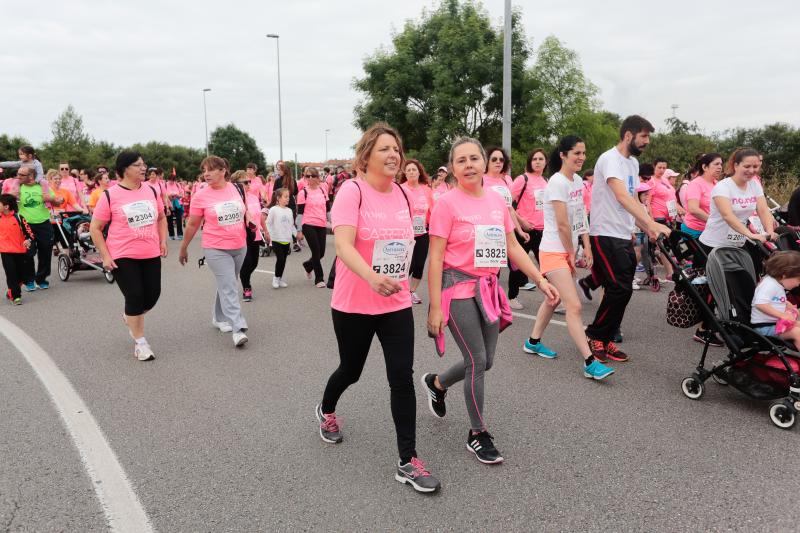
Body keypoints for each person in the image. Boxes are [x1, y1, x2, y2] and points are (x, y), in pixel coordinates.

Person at [316, 123, 441, 494]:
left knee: (401, 376)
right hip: (354, 303)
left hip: (395, 301)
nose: (393, 155)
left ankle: (408, 460)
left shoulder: (403, 195)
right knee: (351, 370)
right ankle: (326, 409)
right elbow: (343, 246)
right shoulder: (351, 192)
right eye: (384, 149)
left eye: (397, 149)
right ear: (366, 155)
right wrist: (371, 277)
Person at [420, 137, 559, 465]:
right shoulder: (446, 204)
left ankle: (437, 384)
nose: (468, 165)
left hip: (489, 288)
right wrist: (436, 306)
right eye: (460, 160)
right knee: (476, 360)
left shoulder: (497, 202)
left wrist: (540, 278)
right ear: (452, 168)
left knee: (485, 361)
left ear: (484, 163)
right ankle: (477, 433)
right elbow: (436, 257)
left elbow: (511, 246)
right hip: (457, 290)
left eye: (474, 159)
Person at [523, 136, 614, 379]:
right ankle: (590, 362)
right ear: (563, 154)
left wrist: (588, 246)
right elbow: (563, 224)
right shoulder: (556, 182)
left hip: (567, 249)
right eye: (576, 153)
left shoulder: (576, 181)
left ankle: (532, 342)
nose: (582, 157)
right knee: (572, 305)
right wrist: (572, 254)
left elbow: (580, 218)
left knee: (552, 299)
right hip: (554, 250)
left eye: (584, 153)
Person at [581, 115, 670, 363]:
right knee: (618, 287)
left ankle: (607, 338)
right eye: (643, 136)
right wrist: (651, 223)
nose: (647, 142)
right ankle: (595, 336)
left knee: (624, 290)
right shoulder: (610, 159)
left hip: (622, 233)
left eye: (648, 137)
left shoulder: (631, 164)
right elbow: (621, 196)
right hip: (604, 232)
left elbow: (633, 201)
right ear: (628, 135)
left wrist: (645, 226)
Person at [89, 151, 167, 361]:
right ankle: (140, 343)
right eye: (138, 165)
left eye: (144, 164)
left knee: (152, 295)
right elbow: (95, 228)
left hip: (150, 252)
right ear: (124, 169)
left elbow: (161, 217)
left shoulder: (151, 191)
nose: (143, 168)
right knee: (134, 296)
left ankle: (129, 316)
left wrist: (162, 240)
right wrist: (105, 256)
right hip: (122, 254)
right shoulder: (110, 195)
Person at [179, 156, 249, 347]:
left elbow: (244, 210)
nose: (206, 174)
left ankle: (219, 318)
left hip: (239, 245)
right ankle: (238, 327)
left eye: (210, 170)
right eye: (204, 170)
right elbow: (193, 224)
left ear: (223, 171)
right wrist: (183, 247)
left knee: (227, 283)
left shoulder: (236, 188)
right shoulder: (201, 195)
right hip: (216, 247)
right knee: (229, 286)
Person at [698, 148, 776, 265]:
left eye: (755, 167)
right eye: (747, 166)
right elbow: (728, 215)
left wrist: (769, 232)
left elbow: (763, 210)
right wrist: (750, 235)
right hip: (714, 245)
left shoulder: (754, 185)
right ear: (736, 165)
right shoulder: (723, 187)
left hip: (738, 243)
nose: (751, 170)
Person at [507, 148, 549, 309]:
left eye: (540, 159)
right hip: (524, 231)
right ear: (530, 162)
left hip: (543, 230)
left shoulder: (546, 181)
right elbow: (506, 203)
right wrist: (521, 221)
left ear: (545, 162)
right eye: (534, 159)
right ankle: (512, 297)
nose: (537, 162)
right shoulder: (522, 179)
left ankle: (552, 296)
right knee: (518, 266)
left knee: (546, 266)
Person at [17, 165, 61, 291]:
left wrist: (58, 200)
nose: (18, 176)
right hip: (26, 225)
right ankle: (29, 280)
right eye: (18, 174)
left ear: (31, 176)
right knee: (28, 253)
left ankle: (41, 279)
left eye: (21, 175)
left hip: (43, 223)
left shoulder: (43, 187)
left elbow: (54, 201)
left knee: (46, 251)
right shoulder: (18, 187)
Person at [399, 159, 434, 304]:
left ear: (419, 172)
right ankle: (400, 290)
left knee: (419, 264)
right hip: (405, 234)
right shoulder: (400, 189)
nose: (412, 172)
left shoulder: (426, 190)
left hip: (423, 233)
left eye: (414, 169)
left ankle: (411, 292)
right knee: (408, 264)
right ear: (405, 174)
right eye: (409, 170)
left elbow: (433, 210)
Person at [751, 251, 800, 349]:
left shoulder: (775, 283)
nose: (798, 284)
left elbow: (772, 299)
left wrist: (785, 303)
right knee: (797, 333)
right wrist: (782, 315)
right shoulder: (769, 285)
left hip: (774, 325)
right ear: (784, 275)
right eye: (798, 280)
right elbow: (760, 304)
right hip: (764, 328)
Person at [232, 170, 266, 302]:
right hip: (240, 235)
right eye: (245, 182)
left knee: (254, 263)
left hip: (255, 234)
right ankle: (247, 287)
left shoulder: (253, 197)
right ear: (236, 185)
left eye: (249, 182)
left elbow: (259, 216)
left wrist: (265, 231)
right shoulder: (234, 200)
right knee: (247, 262)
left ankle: (244, 276)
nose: (248, 184)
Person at [296, 167, 330, 288]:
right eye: (307, 176)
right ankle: (319, 279)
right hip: (308, 224)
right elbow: (300, 213)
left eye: (312, 176)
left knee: (321, 253)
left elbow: (328, 209)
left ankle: (308, 265)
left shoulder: (323, 190)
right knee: (316, 251)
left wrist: (333, 222)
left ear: (317, 177)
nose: (309, 178)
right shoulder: (303, 193)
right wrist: (299, 230)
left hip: (321, 224)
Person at [0, 194, 34, 305]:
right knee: (11, 274)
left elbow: (29, 233)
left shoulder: (19, 217)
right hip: (5, 251)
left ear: (6, 206)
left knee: (24, 276)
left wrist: (28, 240)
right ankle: (16, 296)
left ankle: (11, 290)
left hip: (20, 251)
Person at [681, 153, 723, 240]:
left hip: (712, 230)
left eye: (721, 164)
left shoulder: (717, 184)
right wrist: (715, 221)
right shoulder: (696, 184)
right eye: (716, 164)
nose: (720, 167)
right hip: (695, 231)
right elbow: (693, 209)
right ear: (705, 167)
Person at [264, 188, 296, 288]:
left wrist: (296, 234)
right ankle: (276, 278)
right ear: (278, 198)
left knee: (284, 260)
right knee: (280, 259)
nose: (288, 199)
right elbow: (268, 223)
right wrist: (268, 233)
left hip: (286, 240)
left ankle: (280, 278)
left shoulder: (289, 211)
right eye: (285, 196)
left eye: (288, 196)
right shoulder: (274, 209)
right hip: (276, 239)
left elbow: (292, 225)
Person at [165, 173, 185, 240]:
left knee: (179, 219)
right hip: (169, 204)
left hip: (177, 203)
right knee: (169, 220)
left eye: (173, 180)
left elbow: (182, 194)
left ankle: (180, 234)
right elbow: (163, 195)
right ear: (168, 179)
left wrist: (177, 195)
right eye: (170, 180)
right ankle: (171, 235)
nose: (172, 181)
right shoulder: (165, 185)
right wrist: (169, 196)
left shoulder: (177, 184)